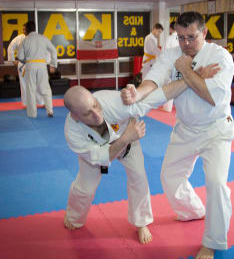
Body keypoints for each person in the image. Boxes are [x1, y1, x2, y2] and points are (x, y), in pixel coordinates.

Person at [121, 11, 234, 259]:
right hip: (185, 128)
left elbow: (211, 96)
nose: (185, 43)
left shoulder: (220, 57)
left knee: (216, 183)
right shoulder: (173, 53)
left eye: (191, 37)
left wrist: (185, 70)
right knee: (169, 176)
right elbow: (155, 79)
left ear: (204, 33)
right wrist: (137, 93)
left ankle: (213, 241)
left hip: (215, 129)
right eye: (181, 37)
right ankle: (193, 211)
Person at [62, 75, 220, 244]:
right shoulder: (72, 133)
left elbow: (155, 98)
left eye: (95, 105)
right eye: (88, 113)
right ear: (75, 116)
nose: (96, 113)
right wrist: (126, 137)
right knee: (85, 188)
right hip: (105, 151)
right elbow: (103, 157)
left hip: (129, 147)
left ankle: (141, 222)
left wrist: (190, 78)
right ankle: (74, 216)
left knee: (139, 179)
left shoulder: (112, 102)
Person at [17, 21, 57, 118]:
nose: (23, 31)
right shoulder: (43, 38)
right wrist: (53, 65)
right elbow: (53, 50)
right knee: (45, 88)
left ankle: (32, 114)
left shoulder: (25, 41)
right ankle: (50, 111)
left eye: (24, 29)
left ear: (27, 30)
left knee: (31, 89)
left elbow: (20, 56)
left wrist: (25, 59)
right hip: (42, 65)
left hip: (30, 66)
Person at [7, 24, 44, 107]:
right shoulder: (19, 38)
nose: (23, 31)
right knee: (24, 85)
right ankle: (27, 104)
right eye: (23, 29)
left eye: (25, 29)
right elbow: (10, 48)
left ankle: (41, 102)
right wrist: (13, 61)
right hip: (23, 65)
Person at [161, 21, 180, 112]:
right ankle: (180, 106)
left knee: (169, 84)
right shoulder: (181, 37)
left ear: (171, 28)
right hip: (180, 63)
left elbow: (165, 51)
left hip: (170, 63)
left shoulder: (170, 37)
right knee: (179, 84)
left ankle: (167, 107)